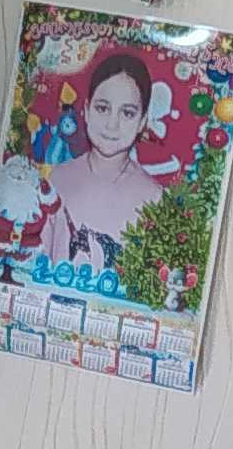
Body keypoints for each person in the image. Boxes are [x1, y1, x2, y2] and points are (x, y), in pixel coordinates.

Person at [36, 39, 172, 280]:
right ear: (86, 110)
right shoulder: (56, 179)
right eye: (102, 108)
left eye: (127, 113)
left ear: (142, 121)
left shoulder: (155, 199)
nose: (112, 124)